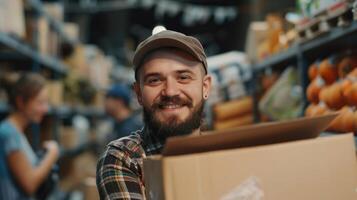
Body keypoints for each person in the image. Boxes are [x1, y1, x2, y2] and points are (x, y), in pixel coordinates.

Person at [96, 30, 211, 199]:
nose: (170, 92)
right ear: (139, 94)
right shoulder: (124, 159)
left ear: (205, 87)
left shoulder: (222, 153)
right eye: (155, 80)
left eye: (184, 77)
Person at [0, 73, 59, 199]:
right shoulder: (9, 134)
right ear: (21, 101)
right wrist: (52, 154)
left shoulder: (17, 131)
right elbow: (29, 184)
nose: (45, 109)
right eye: (40, 102)